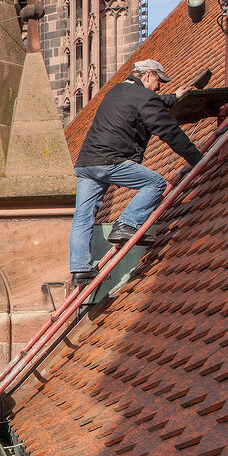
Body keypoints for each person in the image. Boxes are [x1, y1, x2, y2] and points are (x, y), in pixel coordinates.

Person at [69, 59, 202, 287]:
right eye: (159, 81)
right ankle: (127, 224)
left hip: (86, 164)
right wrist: (197, 159)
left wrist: (174, 98)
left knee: (83, 216)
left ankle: (80, 269)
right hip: (109, 161)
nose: (159, 87)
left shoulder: (117, 91)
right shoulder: (143, 97)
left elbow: (150, 102)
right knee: (155, 184)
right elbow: (169, 131)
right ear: (147, 75)